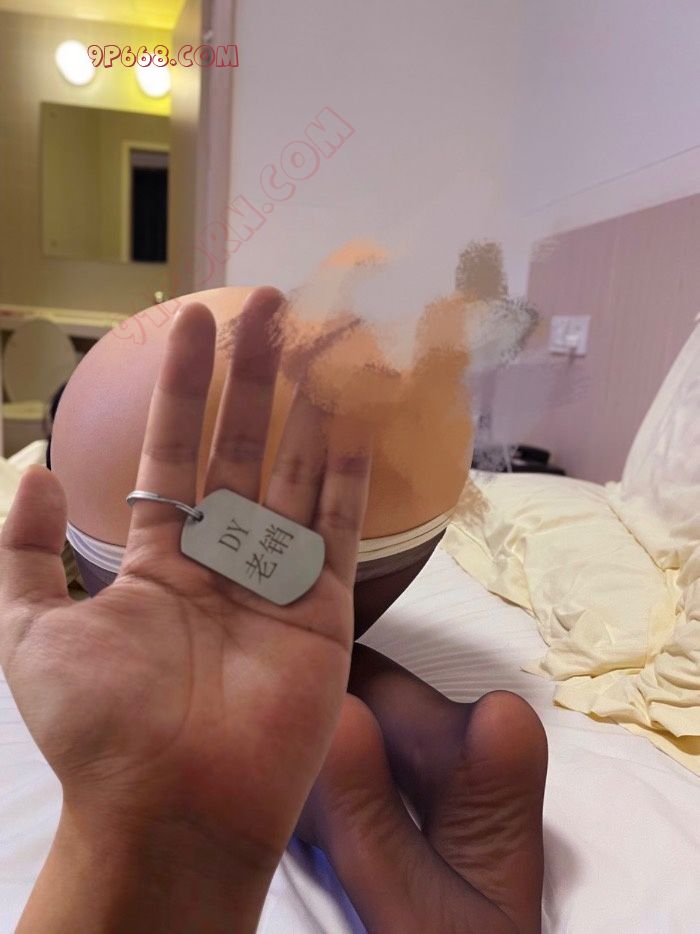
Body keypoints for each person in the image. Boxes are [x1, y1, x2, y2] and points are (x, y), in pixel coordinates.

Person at [42, 283, 548, 931]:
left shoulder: (57, 459)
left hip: (125, 452)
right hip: (393, 466)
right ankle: (434, 732)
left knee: (173, 660)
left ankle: (317, 780)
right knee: (299, 642)